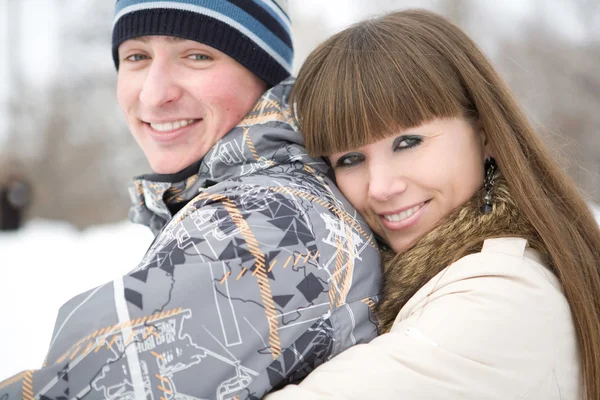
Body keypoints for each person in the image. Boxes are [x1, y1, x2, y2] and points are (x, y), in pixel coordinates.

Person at [0, 1, 381, 399]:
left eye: (197, 56)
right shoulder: (268, 197)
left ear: (265, 75)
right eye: (137, 56)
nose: (153, 93)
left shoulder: (260, 223)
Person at [266, 9, 600, 400]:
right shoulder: (409, 275)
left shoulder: (503, 297)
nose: (381, 187)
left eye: (408, 143)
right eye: (350, 159)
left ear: (485, 133)